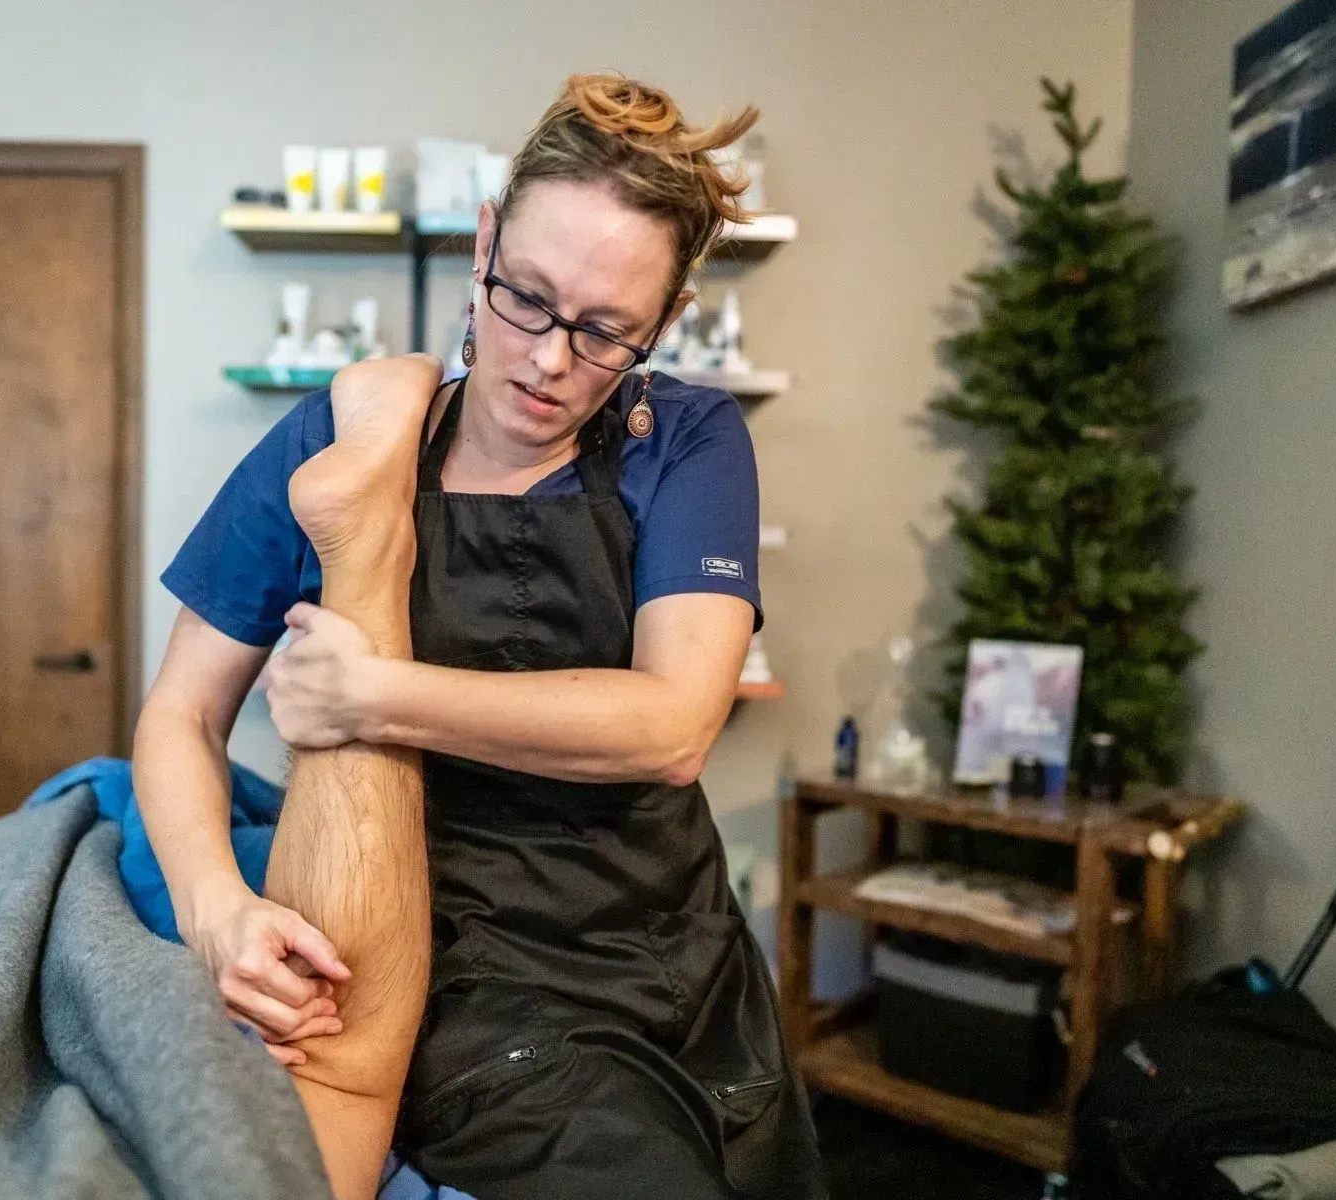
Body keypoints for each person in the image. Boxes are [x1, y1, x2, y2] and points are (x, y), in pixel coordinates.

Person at [134, 73, 826, 1200]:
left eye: (607, 331)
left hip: (665, 946)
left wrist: (372, 696)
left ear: (672, 315)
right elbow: (181, 711)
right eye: (528, 300)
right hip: (453, 960)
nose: (551, 361)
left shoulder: (687, 440)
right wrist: (218, 912)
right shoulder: (333, 446)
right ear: (486, 241)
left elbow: (672, 724)